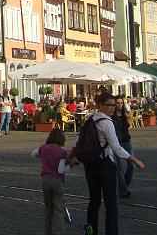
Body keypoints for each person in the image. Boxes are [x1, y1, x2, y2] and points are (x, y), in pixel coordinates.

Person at [74, 91, 145, 235]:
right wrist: (134, 160)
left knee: (94, 200)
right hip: (105, 164)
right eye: (109, 105)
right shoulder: (106, 122)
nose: (112, 108)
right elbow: (116, 147)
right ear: (100, 105)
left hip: (90, 164)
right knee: (110, 203)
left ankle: (91, 230)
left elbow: (78, 141)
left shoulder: (91, 118)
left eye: (114, 105)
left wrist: (72, 157)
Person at [32, 128, 72, 235]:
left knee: (48, 208)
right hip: (58, 181)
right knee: (59, 209)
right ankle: (60, 231)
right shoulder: (63, 152)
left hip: (45, 180)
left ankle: (48, 231)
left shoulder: (44, 148)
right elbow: (66, 168)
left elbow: (34, 154)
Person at [111, 95, 134, 199]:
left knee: (131, 166)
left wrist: (129, 119)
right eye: (118, 103)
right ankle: (123, 190)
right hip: (117, 143)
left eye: (121, 103)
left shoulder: (125, 114)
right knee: (120, 168)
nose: (120, 105)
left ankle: (124, 185)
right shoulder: (111, 117)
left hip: (126, 141)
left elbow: (129, 126)